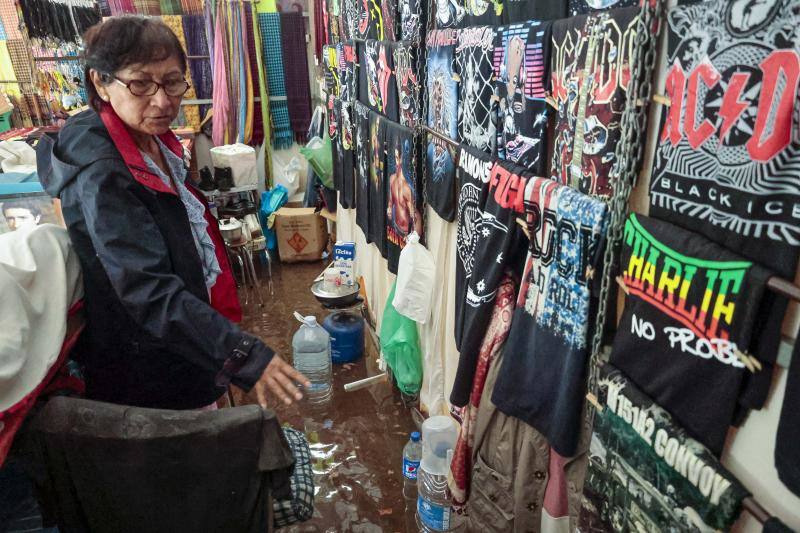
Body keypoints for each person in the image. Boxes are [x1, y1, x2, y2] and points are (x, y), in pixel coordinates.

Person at [36, 16, 309, 410]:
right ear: (100, 82)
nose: (163, 101)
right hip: (150, 372)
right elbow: (147, 290)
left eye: (172, 82)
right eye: (141, 84)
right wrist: (243, 356)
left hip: (185, 346)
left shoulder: (150, 140)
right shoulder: (103, 173)